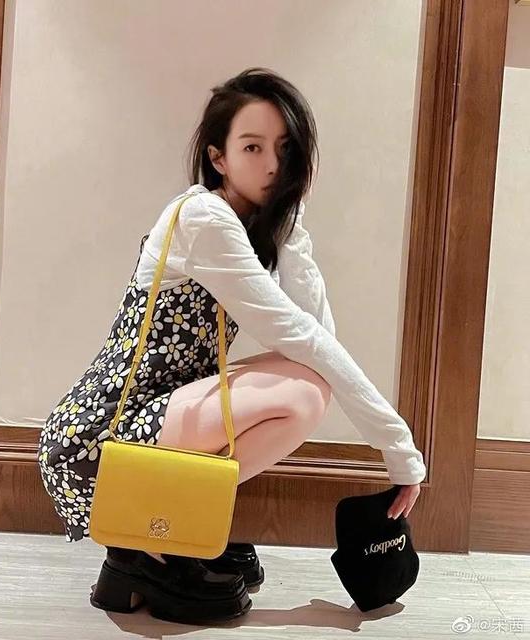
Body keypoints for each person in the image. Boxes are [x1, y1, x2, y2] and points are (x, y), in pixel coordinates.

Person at [37, 67, 425, 623]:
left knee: (308, 381)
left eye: (285, 150)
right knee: (304, 393)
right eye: (252, 147)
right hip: (97, 444)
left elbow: (316, 330)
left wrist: (290, 222)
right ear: (218, 158)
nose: (272, 165)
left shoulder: (248, 223)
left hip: (147, 423)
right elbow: (302, 337)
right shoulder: (205, 219)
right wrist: (397, 447)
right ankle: (150, 542)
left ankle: (169, 531)